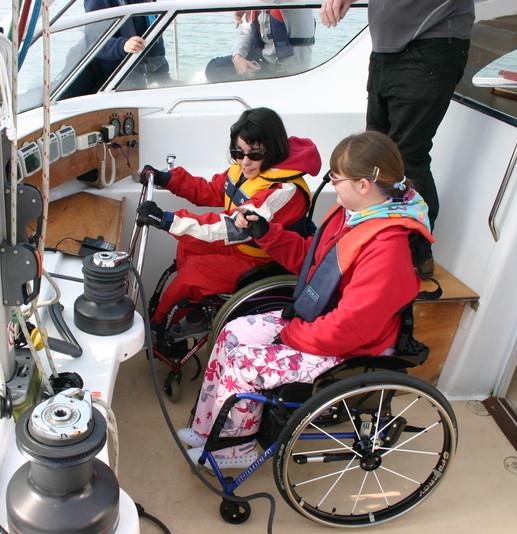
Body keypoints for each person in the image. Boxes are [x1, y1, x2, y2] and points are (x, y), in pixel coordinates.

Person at [175, 131, 433, 468]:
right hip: (317, 321)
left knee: (246, 364)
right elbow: (312, 262)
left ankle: (235, 451)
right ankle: (209, 428)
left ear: (362, 185)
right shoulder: (353, 215)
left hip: (349, 345)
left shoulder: (388, 248)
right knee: (232, 332)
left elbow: (351, 327)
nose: (333, 186)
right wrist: (266, 233)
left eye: (335, 179)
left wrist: (292, 334)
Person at [135, 107, 321, 337]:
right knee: (187, 246)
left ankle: (155, 329)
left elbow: (232, 226)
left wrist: (167, 220)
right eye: (238, 152)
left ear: (274, 150)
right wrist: (168, 179)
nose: (245, 161)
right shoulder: (246, 170)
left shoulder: (282, 190)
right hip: (239, 246)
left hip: (260, 260)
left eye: (254, 154)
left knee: (191, 276)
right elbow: (211, 190)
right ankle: (197, 314)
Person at [321, 0, 473, 274]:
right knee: (372, 155)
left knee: (405, 157)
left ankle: (415, 256)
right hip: (385, 49)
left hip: (431, 42)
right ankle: (373, 245)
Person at [61, 0, 169, 99]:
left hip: (137, 79)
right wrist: (123, 46)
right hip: (106, 83)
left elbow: (156, 40)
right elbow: (93, 39)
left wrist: (163, 78)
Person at [205, 9, 315, 83]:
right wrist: (237, 57)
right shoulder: (259, 7)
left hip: (289, 71)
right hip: (265, 61)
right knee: (213, 68)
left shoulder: (290, 5)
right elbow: (247, 31)